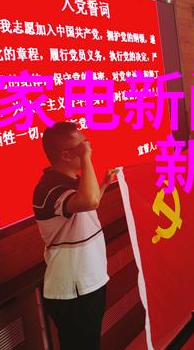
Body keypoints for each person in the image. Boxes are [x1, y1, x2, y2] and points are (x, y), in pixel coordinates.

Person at [34, 121, 117, 350]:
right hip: (74, 289)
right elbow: (89, 201)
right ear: (66, 154)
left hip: (88, 281)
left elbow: (88, 204)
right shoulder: (49, 188)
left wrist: (103, 185)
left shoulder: (72, 182)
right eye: (83, 146)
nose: (88, 148)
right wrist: (87, 158)